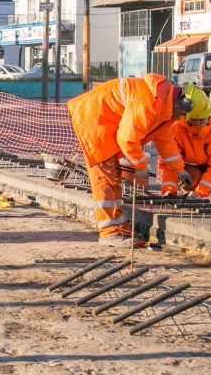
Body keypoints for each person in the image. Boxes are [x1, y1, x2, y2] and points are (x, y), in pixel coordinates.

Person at [67, 73, 190, 248]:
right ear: (181, 103)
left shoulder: (163, 107)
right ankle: (109, 234)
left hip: (101, 122)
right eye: (183, 114)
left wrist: (180, 170)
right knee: (105, 179)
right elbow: (127, 138)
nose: (181, 118)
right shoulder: (149, 101)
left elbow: (166, 143)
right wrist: (140, 165)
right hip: (94, 122)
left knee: (113, 177)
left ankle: (119, 229)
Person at [158, 83, 211, 204]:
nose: (197, 123)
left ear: (209, 117)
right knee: (188, 181)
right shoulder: (176, 129)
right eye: (193, 120)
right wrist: (169, 190)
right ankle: (188, 191)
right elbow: (168, 163)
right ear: (186, 116)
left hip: (208, 169)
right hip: (189, 172)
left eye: (201, 120)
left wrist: (201, 192)